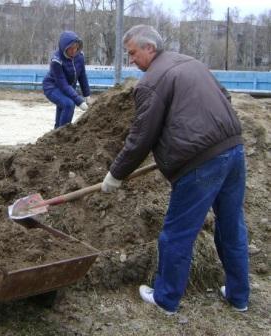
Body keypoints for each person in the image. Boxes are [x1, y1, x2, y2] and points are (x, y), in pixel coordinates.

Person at [101, 25, 249, 314]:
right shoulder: (192, 63)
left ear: (149, 49)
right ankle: (238, 296)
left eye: (132, 53)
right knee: (232, 225)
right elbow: (225, 98)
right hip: (234, 151)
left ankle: (166, 298)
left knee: (177, 232)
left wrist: (115, 174)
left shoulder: (151, 82)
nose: (131, 59)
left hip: (200, 164)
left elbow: (141, 137)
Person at [43, 31, 91, 129]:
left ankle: (56, 133)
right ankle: (63, 134)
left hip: (67, 88)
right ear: (64, 47)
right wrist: (79, 101)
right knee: (68, 104)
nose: (74, 51)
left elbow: (82, 76)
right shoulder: (56, 61)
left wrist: (87, 95)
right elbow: (63, 84)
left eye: (76, 47)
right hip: (52, 87)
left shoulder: (80, 56)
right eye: (70, 48)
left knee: (64, 107)